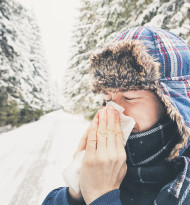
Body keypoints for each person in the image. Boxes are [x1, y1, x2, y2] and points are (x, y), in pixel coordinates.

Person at [42, 26, 190, 205]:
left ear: (171, 102)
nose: (113, 111)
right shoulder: (108, 163)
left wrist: (102, 196)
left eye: (129, 97)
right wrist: (77, 194)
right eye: (107, 98)